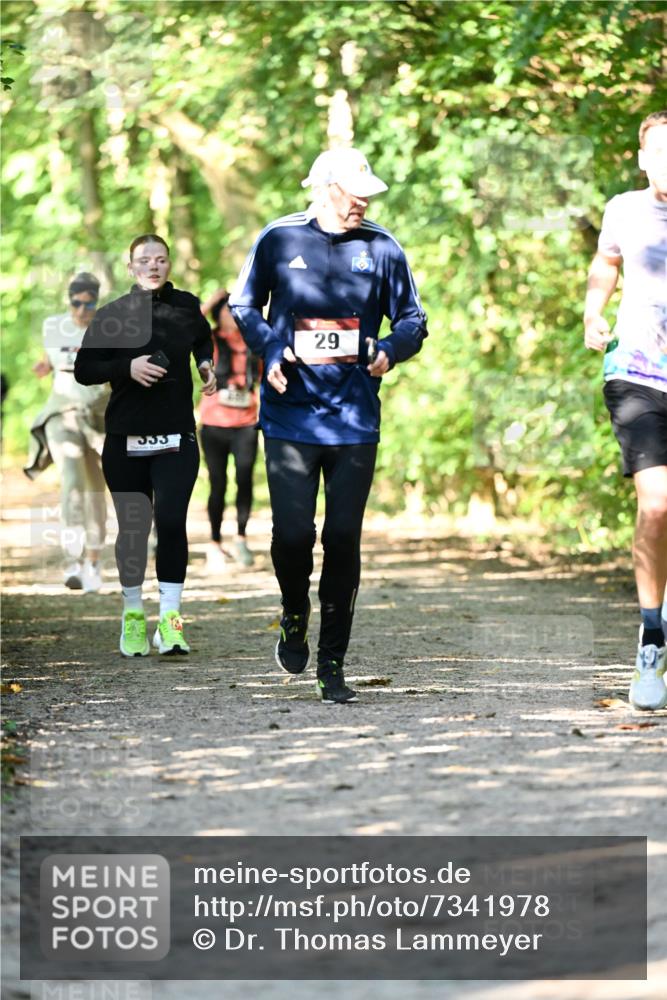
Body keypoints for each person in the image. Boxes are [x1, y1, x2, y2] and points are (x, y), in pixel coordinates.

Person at [230, 147, 428, 703]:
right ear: (323, 188)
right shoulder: (278, 239)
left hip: (355, 417)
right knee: (294, 536)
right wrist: (270, 351)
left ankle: (332, 661)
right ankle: (295, 611)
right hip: (292, 413)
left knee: (343, 539)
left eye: (368, 190)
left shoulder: (383, 246)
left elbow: (413, 319)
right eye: (351, 190)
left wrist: (390, 349)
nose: (363, 199)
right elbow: (245, 307)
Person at [74, 235, 216, 657]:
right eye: (144, 260)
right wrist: (126, 367)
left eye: (160, 259)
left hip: (176, 436)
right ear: (130, 266)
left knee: (171, 522)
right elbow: (84, 368)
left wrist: (205, 364)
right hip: (125, 438)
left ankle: (170, 621)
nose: (153, 266)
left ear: (169, 263)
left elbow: (202, 340)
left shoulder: (187, 306)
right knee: (134, 529)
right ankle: (133, 615)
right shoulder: (114, 314)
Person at [584, 110, 667, 710]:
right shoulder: (623, 210)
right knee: (657, 504)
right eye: (658, 152)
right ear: (642, 159)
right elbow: (606, 263)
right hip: (637, 373)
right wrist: (593, 310)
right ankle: (652, 637)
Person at [25, 272, 108, 592]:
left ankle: (93, 562)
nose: (82, 310)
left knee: (95, 491)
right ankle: (73, 561)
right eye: (76, 303)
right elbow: (50, 358)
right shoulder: (53, 326)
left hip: (99, 416)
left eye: (89, 304)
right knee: (72, 482)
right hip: (62, 412)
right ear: (68, 300)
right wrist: (44, 366)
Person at [199, 289, 261, 570]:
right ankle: (214, 542)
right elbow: (186, 327)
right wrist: (212, 300)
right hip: (214, 423)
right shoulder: (209, 340)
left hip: (247, 422)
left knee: (245, 479)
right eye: (227, 309)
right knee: (218, 483)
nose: (232, 315)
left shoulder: (253, 341)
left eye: (237, 309)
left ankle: (241, 538)